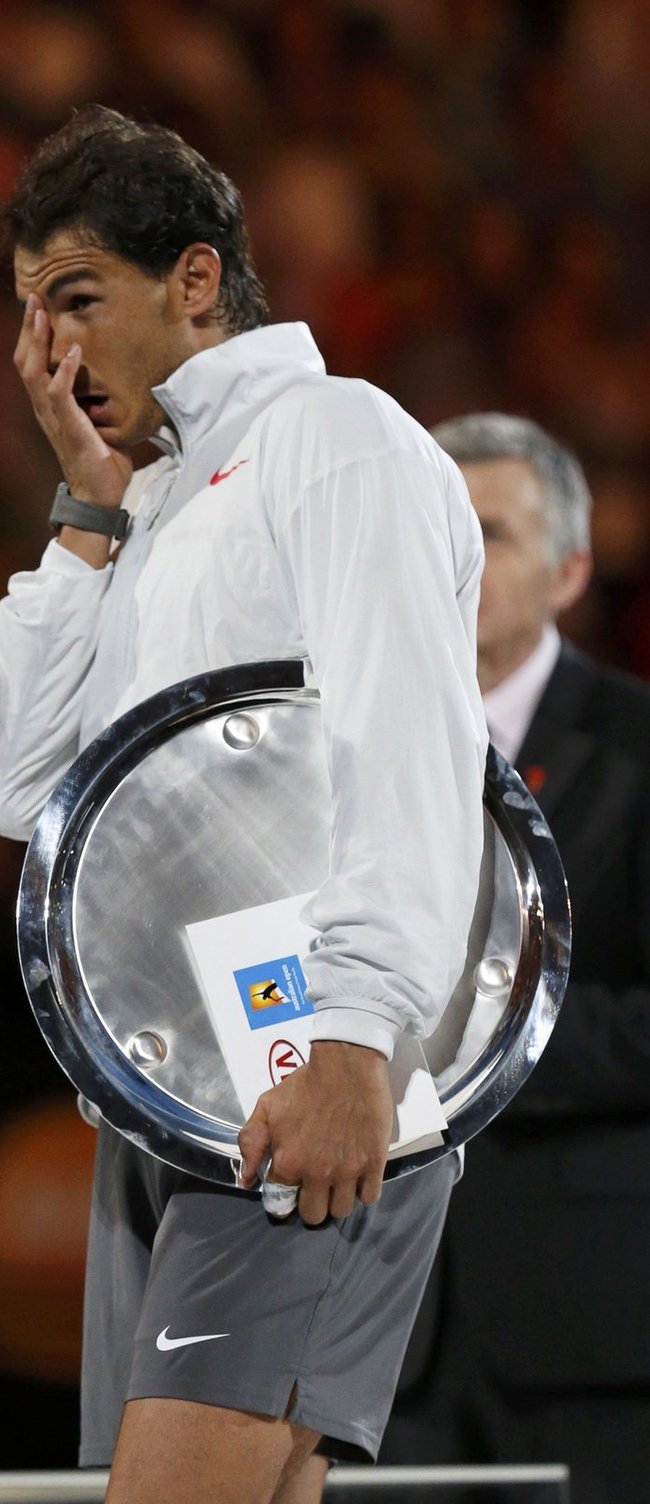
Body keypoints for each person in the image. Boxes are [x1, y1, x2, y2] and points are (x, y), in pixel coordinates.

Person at [0, 106, 487, 1504]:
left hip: (305, 1068)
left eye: (77, 299)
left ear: (193, 282)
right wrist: (83, 516)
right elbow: (12, 789)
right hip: (173, 1090)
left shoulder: (334, 437)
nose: (50, 355)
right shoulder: (147, 502)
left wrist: (352, 1037)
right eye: (28, 318)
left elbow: (409, 746)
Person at [380, 414, 650, 1504]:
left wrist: (475, 1036)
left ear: (573, 568)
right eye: (442, 530)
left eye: (491, 532)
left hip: (590, 1324)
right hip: (384, 1324)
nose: (460, 562)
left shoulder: (638, 745)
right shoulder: (334, 746)